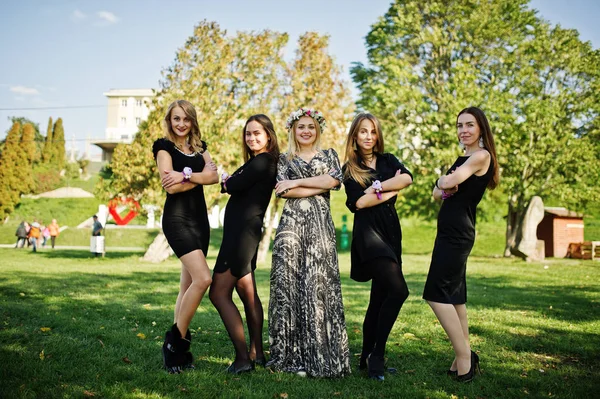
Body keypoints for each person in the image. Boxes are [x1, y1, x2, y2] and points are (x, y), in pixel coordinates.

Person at [267, 107, 351, 378]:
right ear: (293, 130)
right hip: (290, 228)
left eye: (310, 127)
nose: (306, 131)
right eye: (301, 126)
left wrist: (300, 183)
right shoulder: (283, 159)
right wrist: (320, 185)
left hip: (320, 228)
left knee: (318, 285)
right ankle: (291, 357)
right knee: (289, 287)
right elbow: (283, 190)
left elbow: (334, 180)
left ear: (317, 130)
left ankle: (320, 355)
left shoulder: (329, 155)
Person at [423, 106, 499, 382]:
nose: (463, 130)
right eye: (459, 126)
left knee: (435, 293)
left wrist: (445, 181)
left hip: (458, 233)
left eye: (469, 125)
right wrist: (444, 184)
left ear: (481, 128)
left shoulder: (481, 155)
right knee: (455, 297)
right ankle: (461, 358)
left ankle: (465, 355)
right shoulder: (465, 158)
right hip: (449, 231)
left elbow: (446, 182)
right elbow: (436, 193)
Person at [342, 113, 413, 381]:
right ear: (355, 136)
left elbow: (406, 179)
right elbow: (359, 203)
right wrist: (390, 192)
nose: (368, 136)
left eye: (372, 131)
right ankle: (377, 356)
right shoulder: (349, 168)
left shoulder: (388, 159)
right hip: (368, 235)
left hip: (391, 231)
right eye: (363, 132)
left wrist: (377, 188)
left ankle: (365, 356)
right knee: (399, 291)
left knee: (379, 298)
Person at [209, 114, 279, 374]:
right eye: (248, 134)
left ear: (268, 136)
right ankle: (257, 353)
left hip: (241, 236)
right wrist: (229, 181)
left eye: (257, 133)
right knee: (247, 293)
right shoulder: (259, 161)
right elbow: (232, 182)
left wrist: (228, 181)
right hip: (243, 233)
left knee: (218, 293)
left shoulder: (263, 162)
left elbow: (232, 183)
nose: (251, 138)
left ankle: (242, 359)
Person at [152, 99, 218, 373]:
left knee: (186, 286)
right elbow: (171, 188)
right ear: (169, 120)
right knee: (204, 279)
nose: (181, 124)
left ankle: (178, 355)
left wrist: (185, 175)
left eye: (186, 119)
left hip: (200, 222)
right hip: (177, 220)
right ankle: (174, 342)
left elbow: (214, 177)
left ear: (192, 121)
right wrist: (196, 176)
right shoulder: (163, 147)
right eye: (176, 119)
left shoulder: (201, 149)